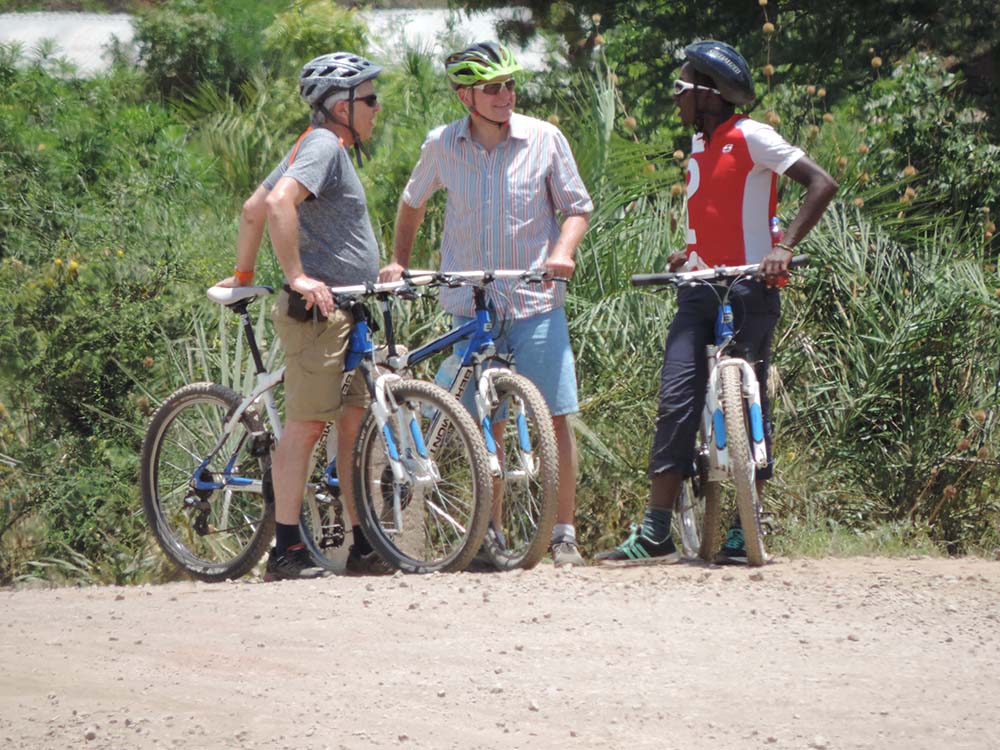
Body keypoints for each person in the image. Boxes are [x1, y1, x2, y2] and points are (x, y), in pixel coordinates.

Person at [596, 40, 837, 566]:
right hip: (699, 288)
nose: (676, 98)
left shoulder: (751, 135)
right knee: (676, 398)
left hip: (751, 286)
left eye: (682, 88)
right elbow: (711, 218)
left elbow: (822, 183)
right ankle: (656, 530)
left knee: (751, 401)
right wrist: (686, 254)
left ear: (708, 94)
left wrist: (784, 246)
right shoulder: (700, 147)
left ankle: (741, 528)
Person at [379, 42, 593, 566]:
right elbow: (412, 203)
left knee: (555, 415)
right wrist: (399, 263)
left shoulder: (544, 138)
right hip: (470, 302)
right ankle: (490, 533)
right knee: (483, 420)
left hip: (534, 298)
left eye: (510, 86)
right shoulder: (442, 145)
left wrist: (563, 252)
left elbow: (576, 208)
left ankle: (563, 532)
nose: (505, 96)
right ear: (465, 96)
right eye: (492, 88)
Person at [216, 52, 390, 580]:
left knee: (353, 428)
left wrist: (245, 276)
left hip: (348, 308)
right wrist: (295, 276)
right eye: (371, 99)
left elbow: (253, 206)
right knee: (308, 426)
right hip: (319, 312)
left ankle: (363, 544)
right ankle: (286, 550)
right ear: (342, 106)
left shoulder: (316, 146)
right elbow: (278, 206)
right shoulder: (322, 146)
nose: (377, 109)